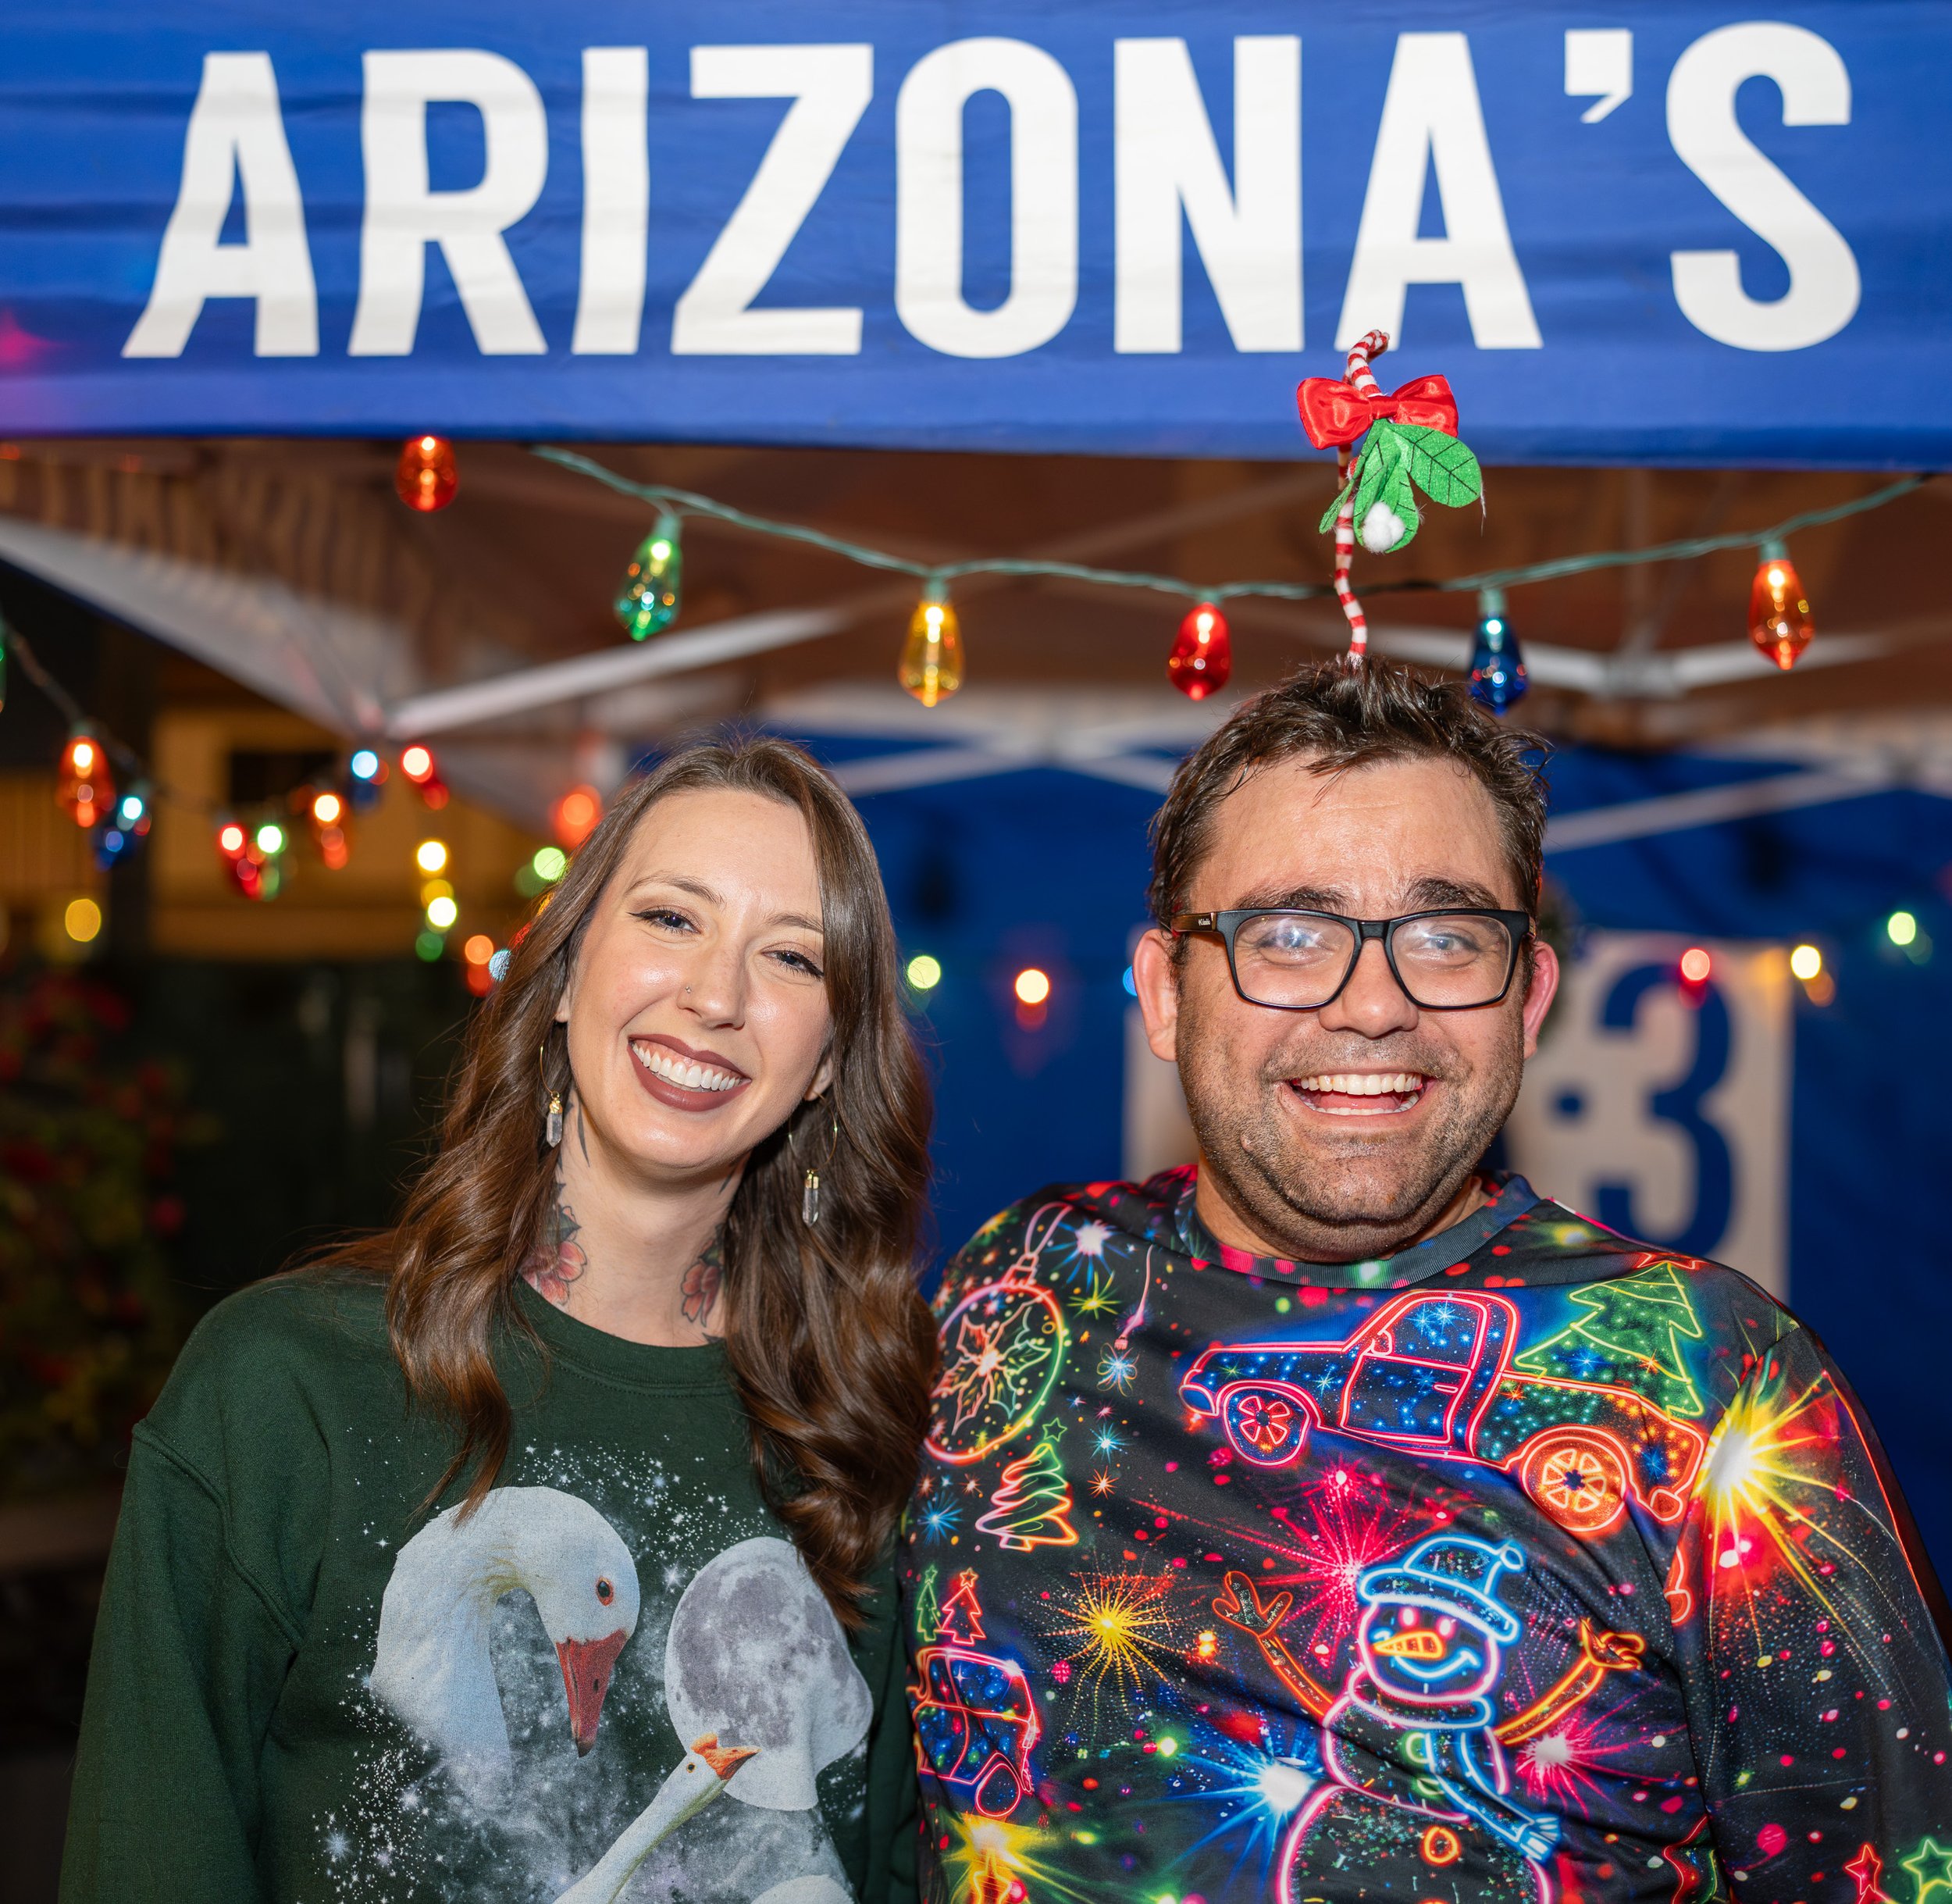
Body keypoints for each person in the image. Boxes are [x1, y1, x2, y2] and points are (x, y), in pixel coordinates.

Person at [903, 661, 1952, 1902]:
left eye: (1447, 937)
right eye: (1288, 934)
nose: (1372, 1005)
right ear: (1165, 991)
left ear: (1528, 996)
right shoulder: (1023, 1284)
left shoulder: (1707, 1376)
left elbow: (1892, 1867)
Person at [64, 736, 935, 1904]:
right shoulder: (283, 1391)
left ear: (828, 1058)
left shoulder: (872, 1423)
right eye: (672, 919)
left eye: (790, 955)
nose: (718, 996)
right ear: (567, 971)